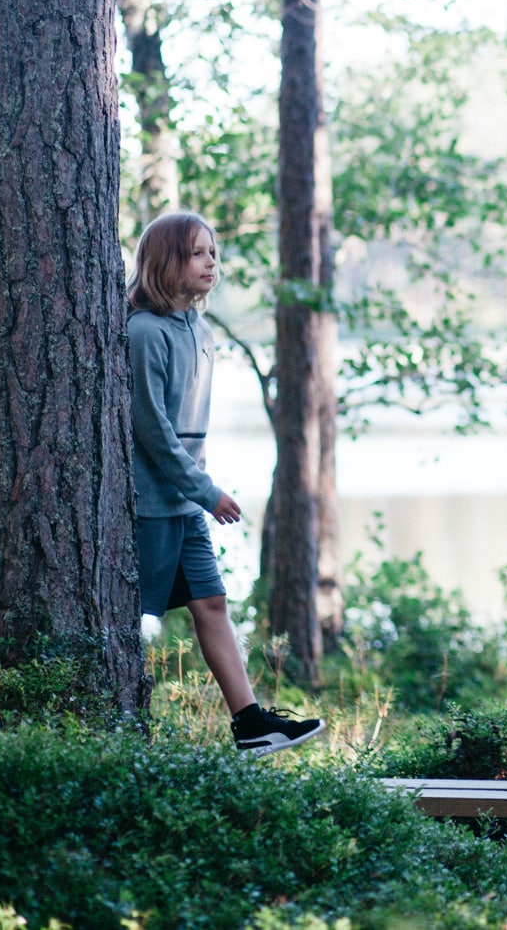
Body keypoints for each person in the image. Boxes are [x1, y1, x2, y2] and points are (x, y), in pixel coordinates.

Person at [128, 211, 325, 757]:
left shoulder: (201, 329)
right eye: (197, 253)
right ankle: (114, 725)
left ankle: (250, 722)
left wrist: (197, 490)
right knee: (127, 614)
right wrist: (205, 490)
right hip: (148, 502)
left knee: (212, 602)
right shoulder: (143, 332)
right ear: (168, 261)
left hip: (185, 500)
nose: (211, 261)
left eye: (213, 251)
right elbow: (150, 428)